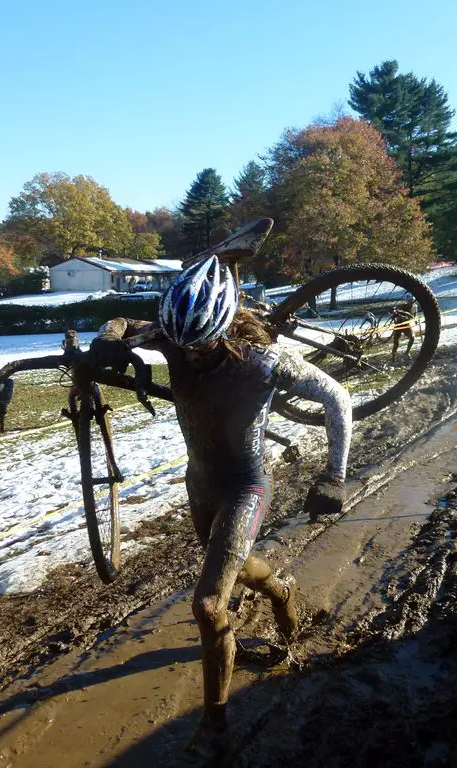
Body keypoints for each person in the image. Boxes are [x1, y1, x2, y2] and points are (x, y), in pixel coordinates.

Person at [90, 255, 352, 757]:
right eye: (180, 346)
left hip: (245, 486)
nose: (189, 356)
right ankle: (279, 590)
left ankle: (214, 727)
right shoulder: (172, 333)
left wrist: (334, 475)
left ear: (225, 328)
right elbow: (124, 323)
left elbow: (337, 397)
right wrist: (108, 335)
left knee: (209, 604)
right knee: (233, 568)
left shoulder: (262, 360)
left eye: (202, 345)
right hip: (200, 482)